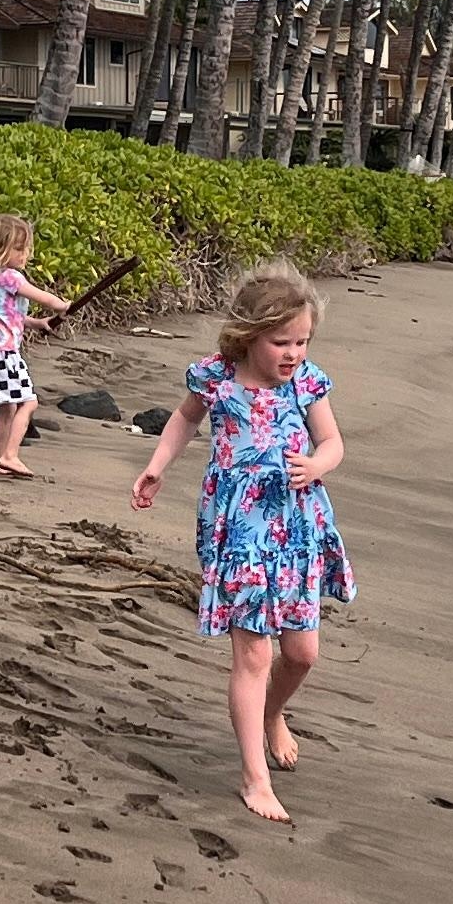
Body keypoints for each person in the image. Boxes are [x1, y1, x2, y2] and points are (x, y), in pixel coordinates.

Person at [134, 261, 353, 824]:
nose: (293, 353)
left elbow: (333, 442)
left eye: (302, 341)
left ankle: (273, 715)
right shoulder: (216, 377)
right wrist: (158, 467)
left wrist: (316, 463)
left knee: (301, 655)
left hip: (297, 526)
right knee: (254, 654)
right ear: (248, 335)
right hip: (238, 531)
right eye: (282, 341)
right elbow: (183, 422)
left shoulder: (308, 381)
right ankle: (254, 778)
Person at [0, 214, 73, 478]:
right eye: (18, 248)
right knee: (29, 402)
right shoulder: (11, 277)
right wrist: (61, 304)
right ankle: (10, 455)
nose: (25, 254)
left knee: (7, 408)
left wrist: (37, 323)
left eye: (26, 248)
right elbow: (43, 296)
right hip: (2, 353)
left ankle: (2, 459)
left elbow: (6, 315)